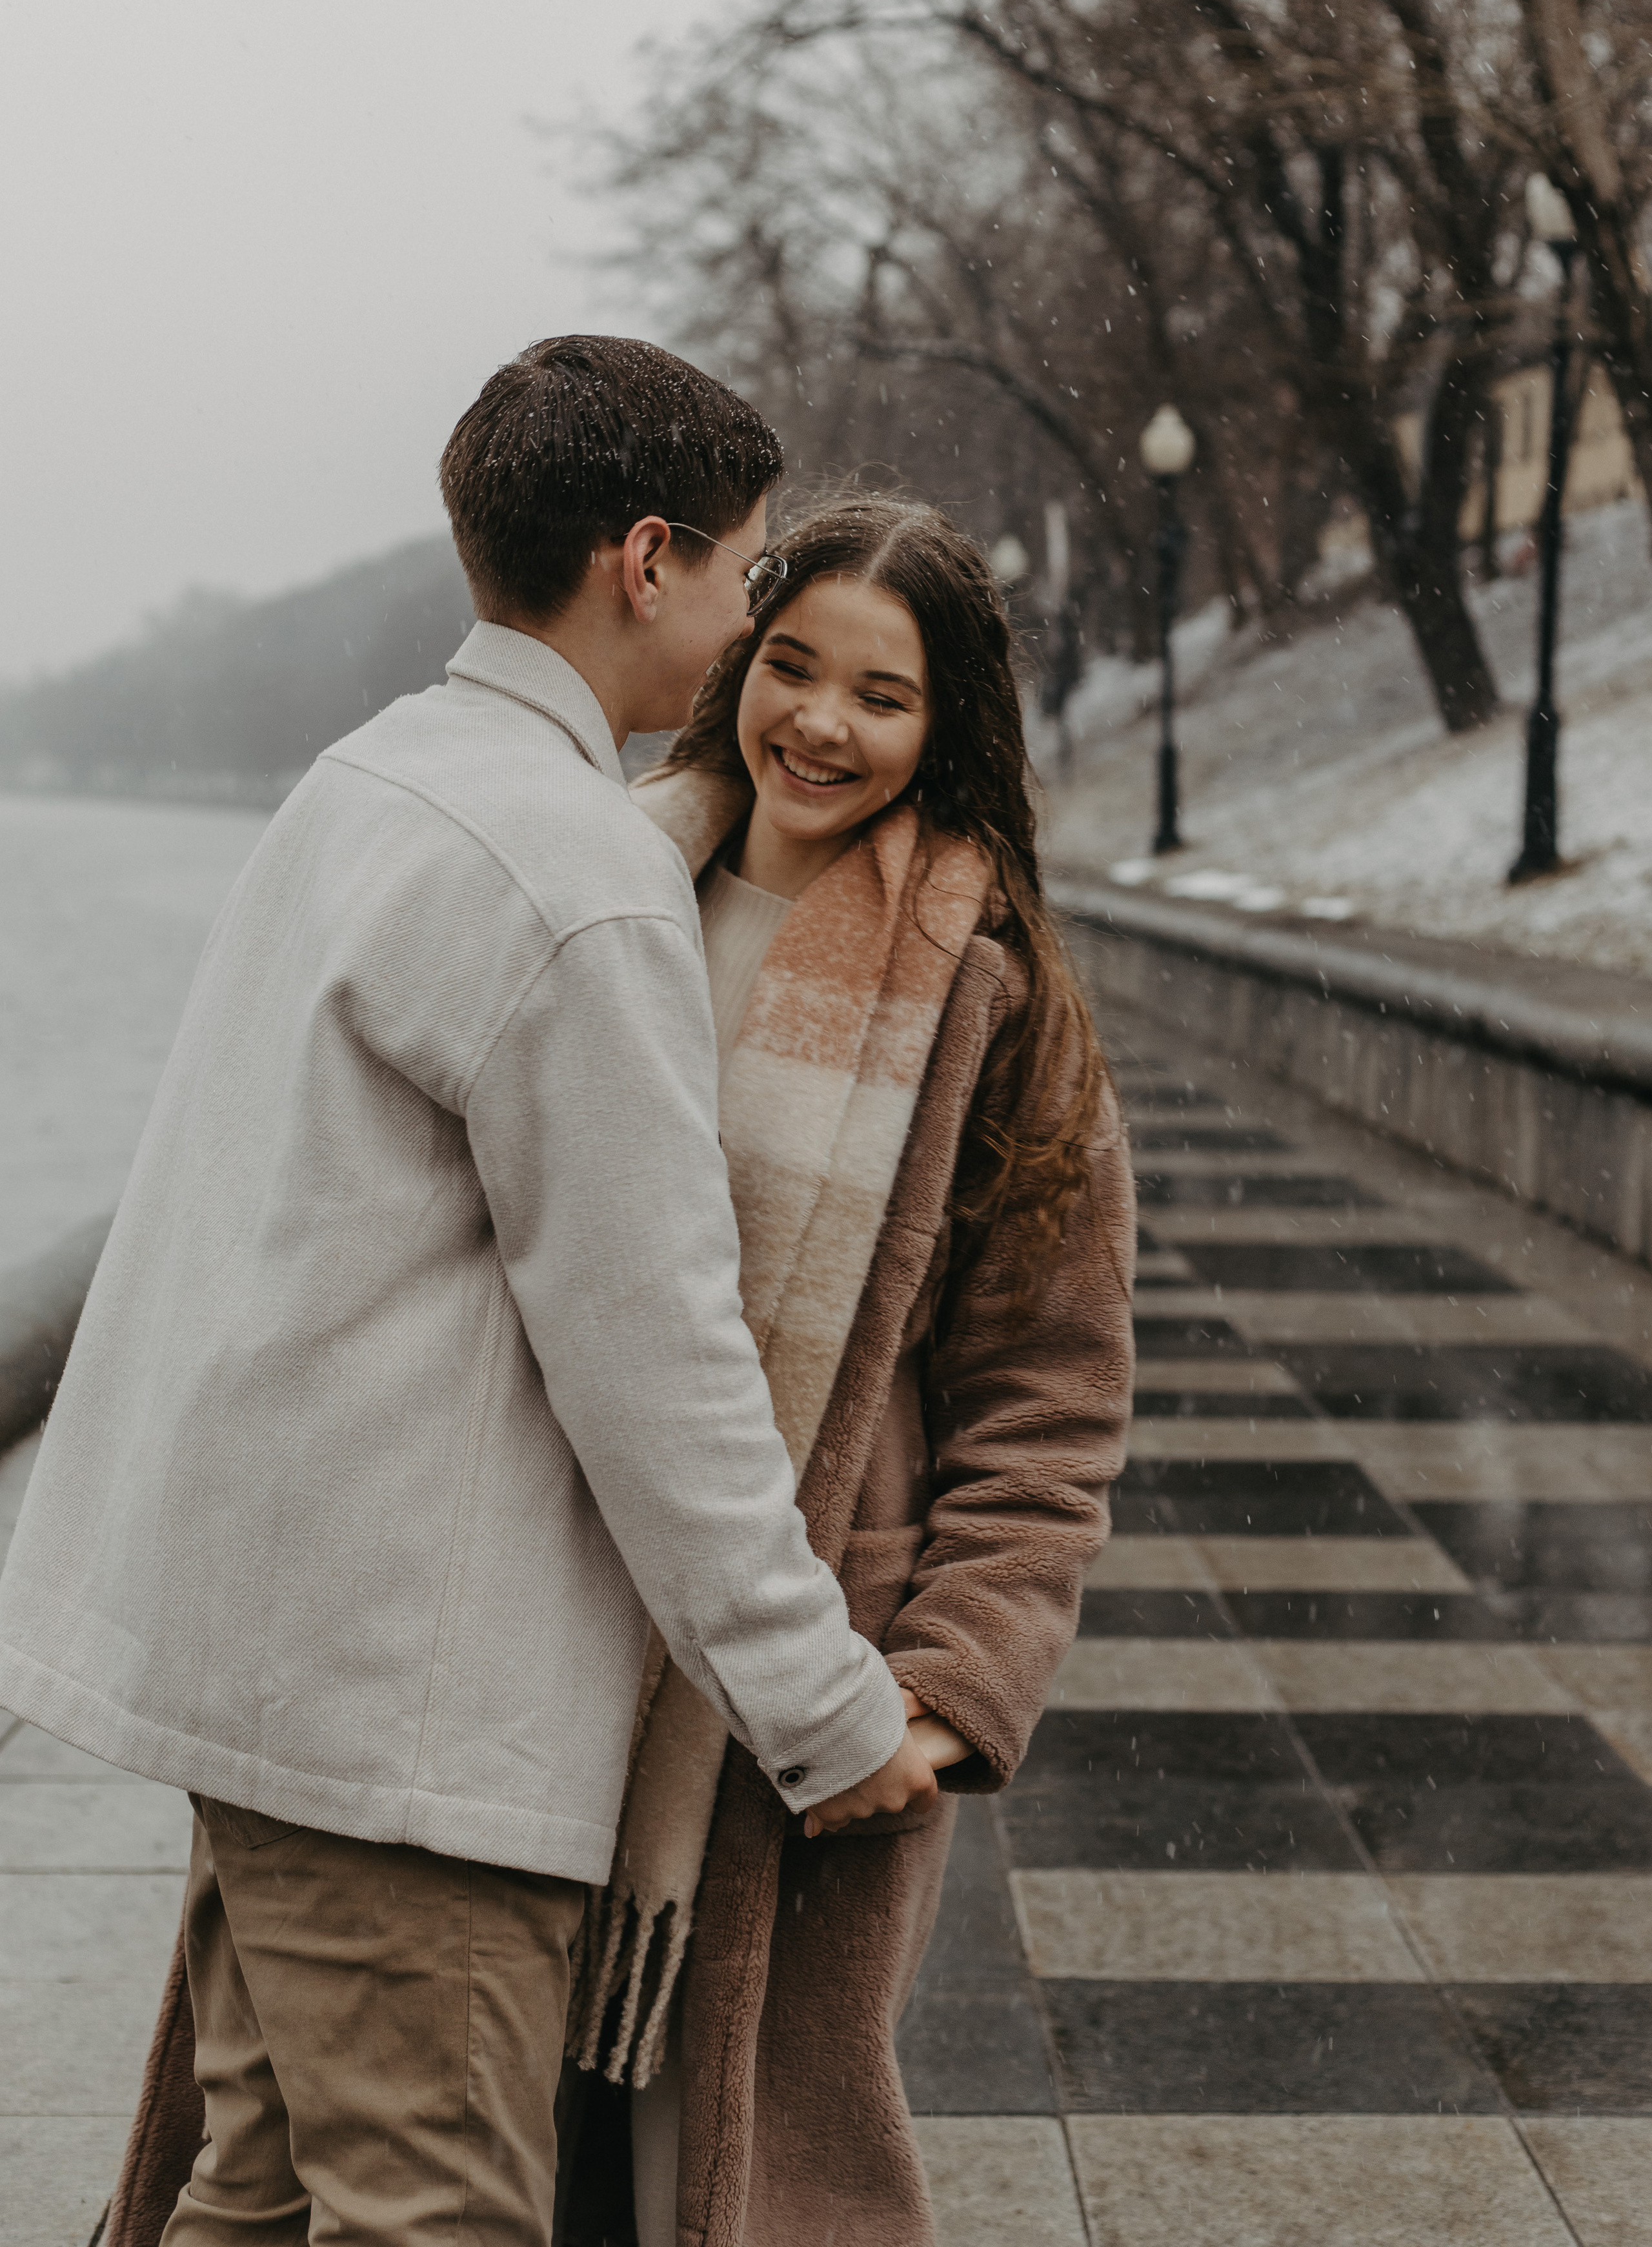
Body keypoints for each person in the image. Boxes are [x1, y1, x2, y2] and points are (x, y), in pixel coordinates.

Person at [0, 340, 937, 2247]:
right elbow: (657, 1358)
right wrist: (828, 1717)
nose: (757, 620)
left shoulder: (369, 781)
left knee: (254, 2205)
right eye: (753, 576)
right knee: (435, 2221)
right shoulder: (573, 876)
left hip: (268, 1667)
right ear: (648, 558)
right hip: (396, 1723)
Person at [554, 494, 1136, 2247]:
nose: (818, 722)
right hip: (553, 1612)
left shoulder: (991, 999)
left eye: (880, 697)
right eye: (789, 666)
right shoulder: (603, 894)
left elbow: (1052, 1384)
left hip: (817, 1680)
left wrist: (951, 1689)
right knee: (492, 2150)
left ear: (948, 724)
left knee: (748, 2172)